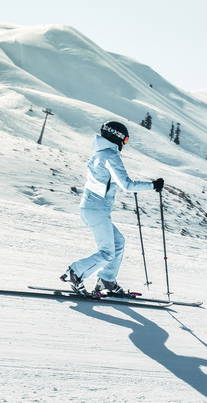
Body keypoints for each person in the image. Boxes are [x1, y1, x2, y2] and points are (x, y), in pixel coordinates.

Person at [61, 121, 164, 297]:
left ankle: (106, 279)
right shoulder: (110, 156)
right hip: (96, 209)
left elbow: (107, 180)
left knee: (118, 243)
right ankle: (76, 272)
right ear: (116, 137)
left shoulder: (99, 154)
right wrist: (153, 185)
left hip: (91, 208)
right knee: (108, 252)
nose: (124, 144)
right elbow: (127, 185)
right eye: (124, 141)